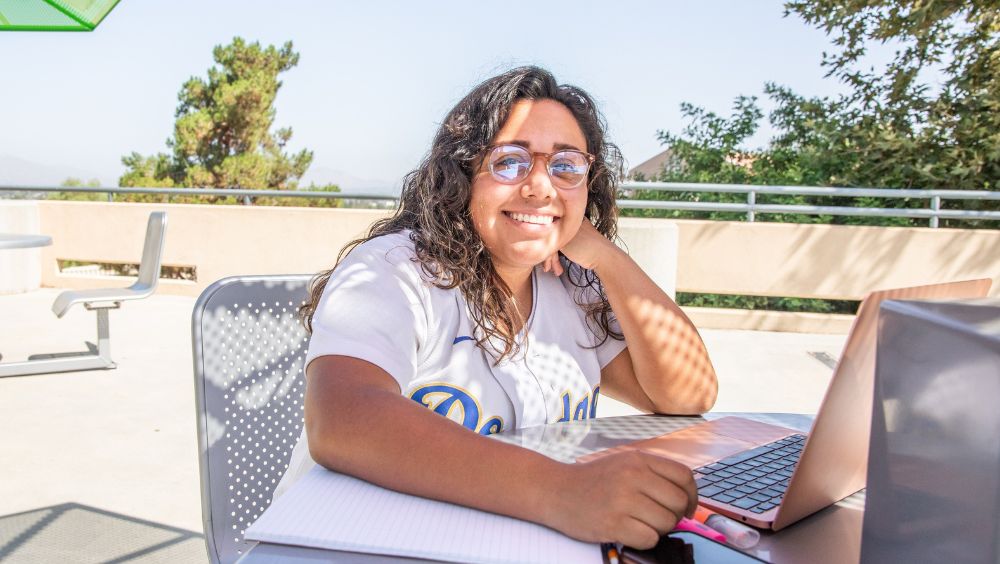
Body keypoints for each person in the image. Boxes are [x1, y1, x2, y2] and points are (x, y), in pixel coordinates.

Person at [279, 66, 719, 549]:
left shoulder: (574, 285)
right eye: (510, 161)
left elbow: (685, 395)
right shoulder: (393, 269)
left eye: (566, 166)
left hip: (506, 541)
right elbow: (342, 419)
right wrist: (562, 491)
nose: (541, 186)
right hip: (355, 542)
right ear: (463, 172)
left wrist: (606, 257)